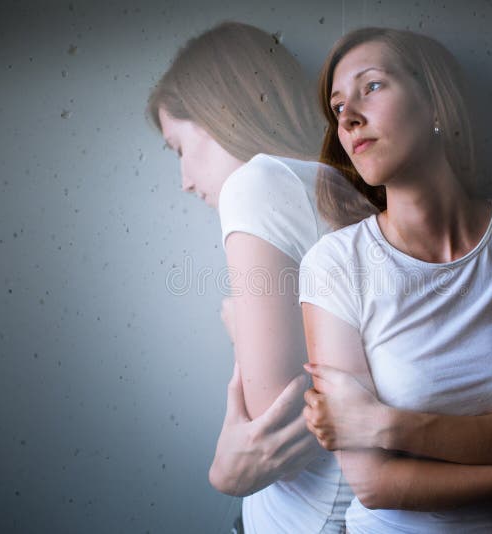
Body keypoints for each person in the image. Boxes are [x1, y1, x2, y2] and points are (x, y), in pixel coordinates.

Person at [298, 27, 492, 532]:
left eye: (371, 87)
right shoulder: (334, 265)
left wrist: (386, 424)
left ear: (435, 103)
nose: (347, 117)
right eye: (338, 106)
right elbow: (374, 483)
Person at [146, 22, 375, 533]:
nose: (184, 181)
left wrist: (224, 475)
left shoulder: (255, 184)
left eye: (179, 147)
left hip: (304, 518)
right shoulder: (340, 186)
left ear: (216, 114)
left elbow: (275, 429)